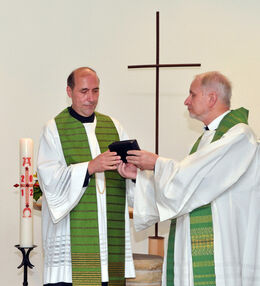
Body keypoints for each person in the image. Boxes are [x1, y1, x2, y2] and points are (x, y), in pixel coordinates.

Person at [118, 71, 260, 285]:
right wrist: (141, 178)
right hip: (198, 244)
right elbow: (186, 187)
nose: (186, 101)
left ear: (211, 98)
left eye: (192, 95)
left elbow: (190, 180)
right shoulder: (206, 139)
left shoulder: (240, 135)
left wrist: (156, 163)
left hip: (223, 246)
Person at [37, 67, 135, 286]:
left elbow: (132, 182)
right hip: (71, 247)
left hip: (109, 242)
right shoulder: (54, 129)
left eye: (95, 91)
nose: (91, 98)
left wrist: (133, 176)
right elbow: (49, 179)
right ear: (69, 92)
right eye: (83, 91)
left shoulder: (114, 126)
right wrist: (89, 168)